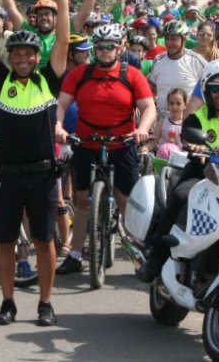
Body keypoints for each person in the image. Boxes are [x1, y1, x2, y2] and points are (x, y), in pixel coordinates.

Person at [0, 0, 70, 327]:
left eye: (27, 54)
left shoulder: (49, 79)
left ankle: (45, 303)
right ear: (9, 57)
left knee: (45, 241)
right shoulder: (0, 81)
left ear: (36, 57)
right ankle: (7, 302)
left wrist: (61, 0)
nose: (21, 58)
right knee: (5, 242)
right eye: (15, 53)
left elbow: (63, 39)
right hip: (7, 175)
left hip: (43, 175)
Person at [136, 59, 219, 283]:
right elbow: (188, 133)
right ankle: (155, 257)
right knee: (181, 195)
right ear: (207, 91)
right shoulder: (198, 117)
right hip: (204, 173)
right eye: (216, 89)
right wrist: (197, 147)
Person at [54, 23, 155, 276]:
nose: (105, 51)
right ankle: (75, 254)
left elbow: (149, 108)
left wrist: (142, 129)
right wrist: (58, 126)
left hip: (123, 142)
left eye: (111, 46)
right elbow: (61, 104)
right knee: (81, 199)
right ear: (94, 49)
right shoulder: (80, 74)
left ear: (120, 47)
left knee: (125, 201)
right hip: (86, 142)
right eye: (100, 47)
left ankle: (137, 253)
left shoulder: (132, 75)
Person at [147, 21, 206, 120]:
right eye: (167, 39)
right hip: (163, 122)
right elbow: (152, 88)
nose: (169, 43)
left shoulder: (196, 60)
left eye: (174, 39)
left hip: (189, 120)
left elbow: (208, 89)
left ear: (184, 39)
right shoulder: (158, 60)